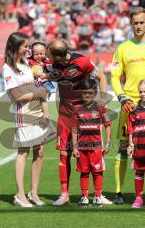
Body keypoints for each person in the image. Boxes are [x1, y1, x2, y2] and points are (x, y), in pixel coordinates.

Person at [46, 38, 110, 206]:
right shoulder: (52, 64)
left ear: (58, 58)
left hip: (84, 116)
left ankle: (98, 194)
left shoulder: (82, 62)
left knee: (91, 154)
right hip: (65, 115)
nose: (49, 59)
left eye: (50, 56)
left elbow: (102, 77)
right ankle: (65, 194)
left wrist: (102, 101)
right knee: (63, 153)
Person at [3, 32, 50, 208]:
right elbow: (15, 95)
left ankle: (34, 193)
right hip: (24, 113)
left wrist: (44, 108)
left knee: (40, 151)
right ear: (15, 47)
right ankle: (20, 195)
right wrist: (39, 92)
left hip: (39, 109)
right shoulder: (8, 67)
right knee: (23, 151)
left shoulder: (26, 63)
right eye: (25, 46)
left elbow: (40, 85)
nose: (28, 49)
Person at [111, 6, 145, 204]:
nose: (139, 26)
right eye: (136, 23)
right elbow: (115, 76)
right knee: (123, 147)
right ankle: (118, 192)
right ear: (131, 24)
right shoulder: (123, 48)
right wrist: (122, 97)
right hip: (130, 106)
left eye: (142, 22)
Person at [72, 79, 111, 206]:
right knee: (84, 172)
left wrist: (108, 143)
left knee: (97, 172)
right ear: (81, 94)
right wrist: (74, 147)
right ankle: (84, 197)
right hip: (82, 147)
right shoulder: (77, 109)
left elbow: (107, 125)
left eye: (90, 93)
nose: (87, 95)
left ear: (94, 93)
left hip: (96, 147)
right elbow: (74, 129)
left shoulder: (101, 108)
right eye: (84, 93)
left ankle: (98, 196)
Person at [127, 80, 145, 208]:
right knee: (139, 172)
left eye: (144, 91)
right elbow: (130, 129)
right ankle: (138, 198)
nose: (142, 94)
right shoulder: (134, 110)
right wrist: (130, 145)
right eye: (140, 92)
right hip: (139, 147)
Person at [28, 41, 54, 119]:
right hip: (35, 84)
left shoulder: (47, 61)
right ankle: (41, 114)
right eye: (36, 54)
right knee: (38, 100)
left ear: (45, 52)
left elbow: (52, 70)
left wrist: (45, 64)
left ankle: (46, 114)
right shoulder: (30, 61)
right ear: (32, 53)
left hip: (44, 83)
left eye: (41, 53)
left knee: (42, 99)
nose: (39, 56)